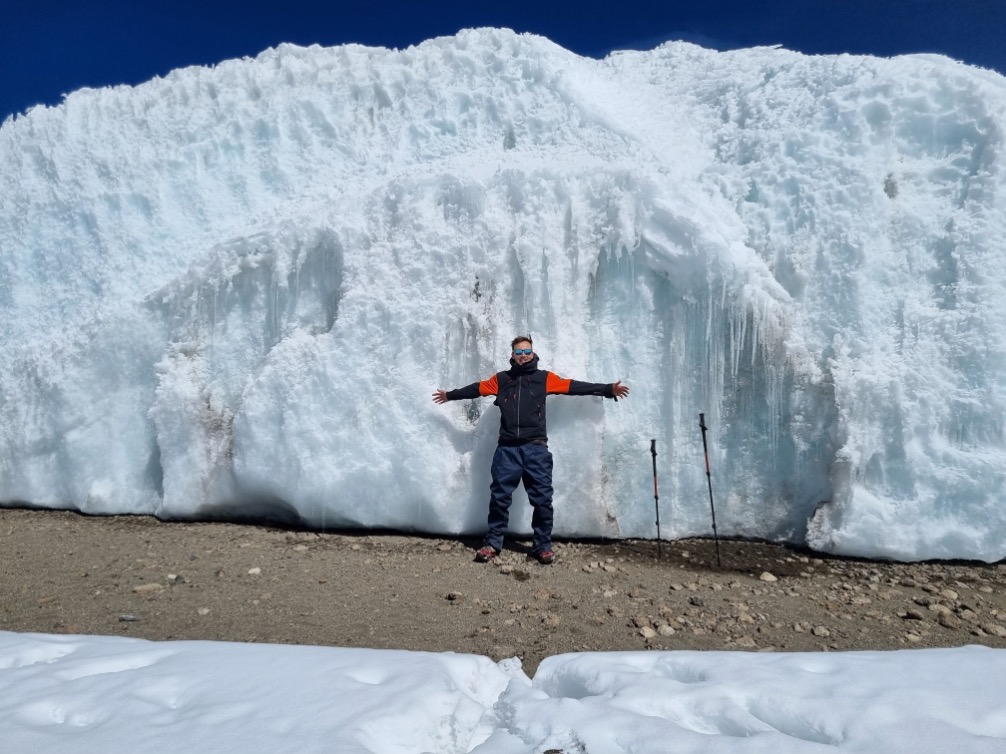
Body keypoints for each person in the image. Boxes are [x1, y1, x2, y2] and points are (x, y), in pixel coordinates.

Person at [432, 335, 629, 564]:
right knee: (499, 498)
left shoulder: (544, 379)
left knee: (542, 499)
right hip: (507, 450)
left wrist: (606, 389)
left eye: (527, 351)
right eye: (519, 352)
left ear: (533, 354)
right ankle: (493, 543)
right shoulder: (501, 380)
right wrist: (450, 395)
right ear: (513, 356)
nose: (523, 355)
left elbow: (573, 386)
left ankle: (542, 546)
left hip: (535, 448)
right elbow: (476, 389)